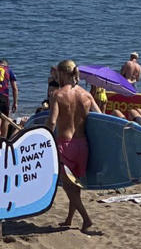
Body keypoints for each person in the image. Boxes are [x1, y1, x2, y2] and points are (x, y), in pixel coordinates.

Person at [49, 59, 100, 233]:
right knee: (75, 186)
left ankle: (86, 220)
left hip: (65, 146)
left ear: (63, 74)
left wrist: (43, 137)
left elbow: (52, 122)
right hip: (82, 146)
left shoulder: (58, 95)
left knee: (69, 188)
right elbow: (101, 119)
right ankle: (70, 219)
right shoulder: (86, 95)